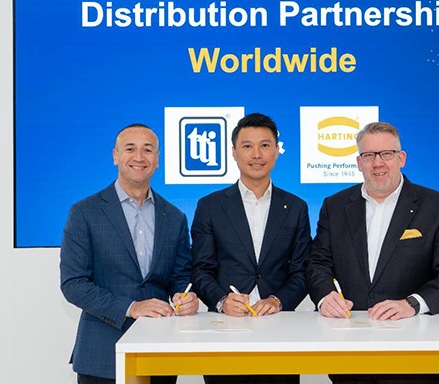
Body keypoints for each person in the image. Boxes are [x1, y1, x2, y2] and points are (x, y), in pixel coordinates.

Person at [306, 122, 439, 384]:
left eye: (386, 154)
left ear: (401, 158)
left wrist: (413, 304)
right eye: (369, 155)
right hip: (351, 357)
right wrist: (326, 296)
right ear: (359, 162)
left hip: (416, 357)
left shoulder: (437, 206)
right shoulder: (334, 206)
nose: (378, 163)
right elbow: (318, 263)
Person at [60, 123, 199, 384]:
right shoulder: (85, 212)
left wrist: (185, 296)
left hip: (160, 353)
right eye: (130, 149)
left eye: (147, 149)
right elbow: (73, 284)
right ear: (115, 156)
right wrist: (131, 307)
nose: (139, 157)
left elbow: (180, 277)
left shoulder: (174, 217)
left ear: (157, 159)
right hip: (102, 355)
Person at [191, 113, 311, 384]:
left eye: (265, 145)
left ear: (277, 151)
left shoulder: (295, 207)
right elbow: (200, 269)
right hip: (225, 330)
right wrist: (222, 301)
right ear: (234, 152)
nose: (257, 154)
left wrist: (278, 300)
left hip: (279, 330)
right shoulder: (210, 206)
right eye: (247, 146)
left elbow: (302, 270)